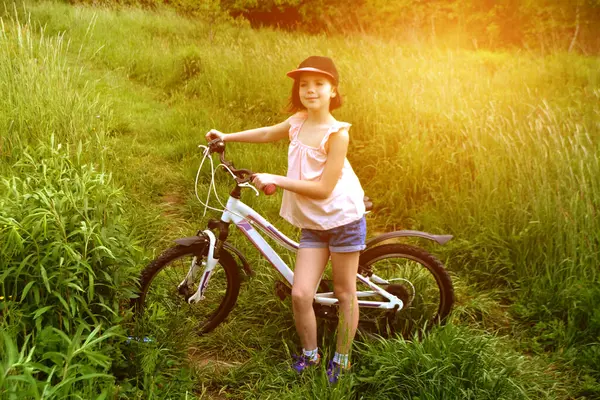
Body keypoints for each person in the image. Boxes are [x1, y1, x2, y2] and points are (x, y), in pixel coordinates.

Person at [205, 56, 366, 384]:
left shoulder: (338, 135)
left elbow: (322, 189)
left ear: (333, 90)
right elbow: (266, 133)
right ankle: (310, 356)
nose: (311, 90)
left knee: (343, 291)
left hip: (342, 219)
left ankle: (343, 360)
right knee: (299, 294)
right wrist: (227, 135)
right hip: (314, 223)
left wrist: (277, 180)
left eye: (319, 84)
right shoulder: (297, 122)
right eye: (304, 84)